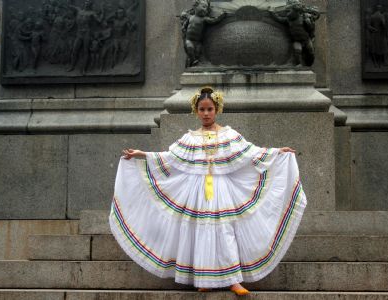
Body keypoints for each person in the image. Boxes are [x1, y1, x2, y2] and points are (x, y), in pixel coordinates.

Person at [110, 86, 307, 295]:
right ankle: (204, 277)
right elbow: (170, 157)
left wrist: (277, 152)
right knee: (200, 230)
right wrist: (142, 154)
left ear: (217, 109)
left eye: (209, 109)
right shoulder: (190, 138)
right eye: (202, 109)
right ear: (196, 111)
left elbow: (252, 153)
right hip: (198, 191)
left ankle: (233, 281)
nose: (206, 114)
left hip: (221, 189)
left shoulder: (229, 135)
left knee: (225, 230)